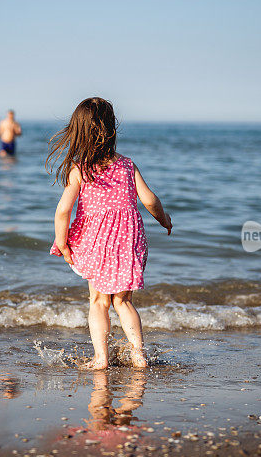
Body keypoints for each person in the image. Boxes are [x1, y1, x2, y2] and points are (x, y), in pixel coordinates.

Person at [47, 97, 172, 370]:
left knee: (99, 301)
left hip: (98, 241)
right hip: (129, 238)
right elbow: (149, 200)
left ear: (78, 132)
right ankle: (139, 355)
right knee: (124, 301)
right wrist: (164, 220)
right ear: (112, 127)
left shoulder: (79, 170)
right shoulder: (127, 165)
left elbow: (62, 212)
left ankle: (101, 359)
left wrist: (62, 243)